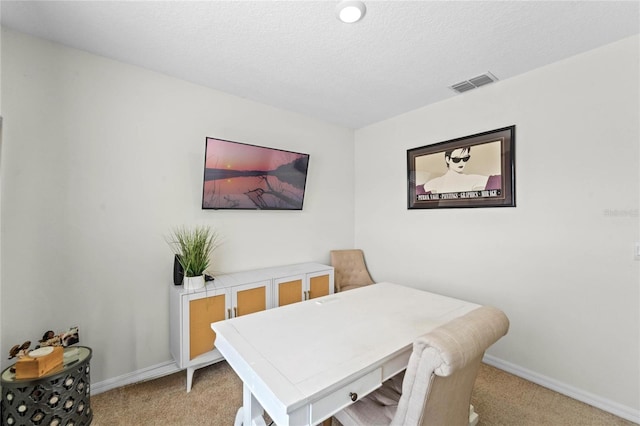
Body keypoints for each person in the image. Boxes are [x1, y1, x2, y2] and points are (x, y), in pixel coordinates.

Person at [422, 146, 489, 193]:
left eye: (465, 158)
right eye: (456, 159)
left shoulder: (472, 179)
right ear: (447, 159)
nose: (462, 162)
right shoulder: (435, 183)